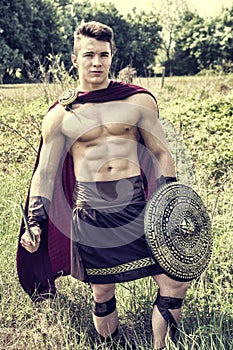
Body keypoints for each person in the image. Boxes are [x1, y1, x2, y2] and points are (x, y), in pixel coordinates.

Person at [18, 21, 189, 349]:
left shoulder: (139, 102)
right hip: (93, 211)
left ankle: (160, 347)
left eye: (104, 55)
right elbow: (45, 173)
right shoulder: (61, 115)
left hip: (140, 207)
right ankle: (111, 345)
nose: (97, 62)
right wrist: (36, 221)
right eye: (89, 55)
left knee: (174, 280)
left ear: (112, 57)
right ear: (74, 59)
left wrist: (170, 205)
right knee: (103, 290)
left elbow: (160, 152)